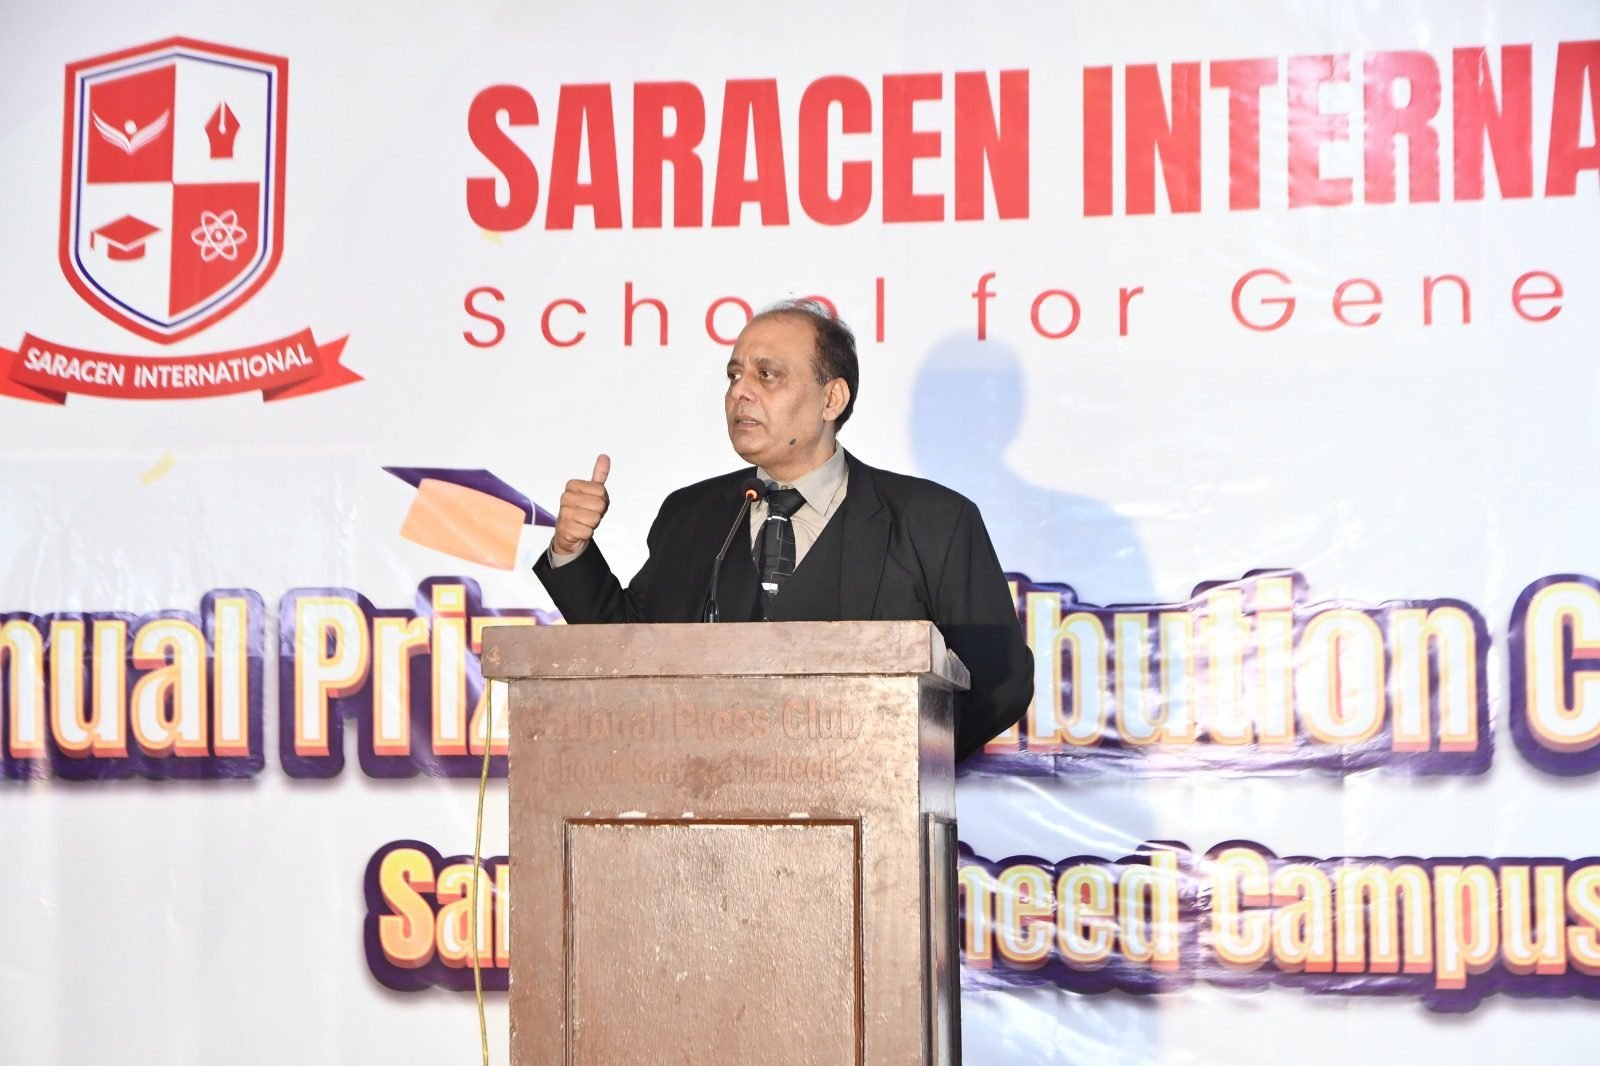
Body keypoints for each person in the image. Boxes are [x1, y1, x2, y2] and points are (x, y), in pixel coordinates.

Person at [534, 300, 1032, 761]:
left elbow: (1000, 681)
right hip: (705, 808)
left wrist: (900, 763)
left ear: (831, 398)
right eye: (734, 375)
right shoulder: (691, 515)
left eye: (766, 375)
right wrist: (572, 550)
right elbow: (631, 653)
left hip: (870, 812)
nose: (739, 392)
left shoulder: (933, 520)